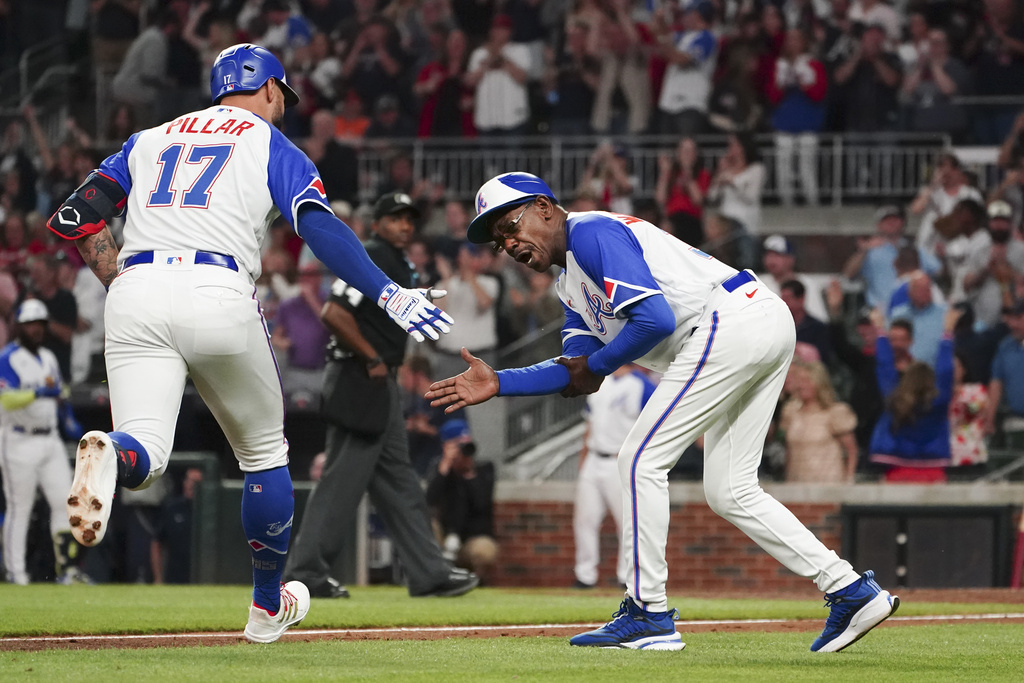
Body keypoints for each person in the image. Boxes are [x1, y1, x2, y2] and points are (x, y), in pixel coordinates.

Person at [45, 44, 454, 643]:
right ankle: (266, 607)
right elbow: (316, 223)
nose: (281, 106)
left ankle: (113, 451)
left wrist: (121, 281)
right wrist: (389, 293)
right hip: (218, 288)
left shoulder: (147, 140)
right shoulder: (267, 140)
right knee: (264, 452)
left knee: (150, 452)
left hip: (135, 289)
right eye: (282, 96)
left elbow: (75, 216)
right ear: (268, 89)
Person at [427, 172, 898, 652]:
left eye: (511, 224)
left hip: (727, 322)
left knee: (637, 461)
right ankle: (849, 589)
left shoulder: (589, 232)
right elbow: (577, 371)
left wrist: (597, 364)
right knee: (730, 491)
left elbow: (653, 320)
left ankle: (649, 612)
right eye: (500, 239)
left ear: (545, 207)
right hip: (750, 322)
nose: (508, 243)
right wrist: (503, 381)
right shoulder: (570, 286)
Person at [284, 192, 478, 601]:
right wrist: (372, 356)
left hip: (377, 380)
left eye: (409, 218)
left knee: (400, 482)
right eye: (394, 218)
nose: (404, 225)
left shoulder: (395, 260)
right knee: (341, 479)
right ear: (377, 224)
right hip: (361, 377)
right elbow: (333, 313)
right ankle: (306, 572)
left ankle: (429, 572)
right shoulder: (370, 253)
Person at [0, 300, 83, 585]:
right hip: (18, 438)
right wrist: (38, 393)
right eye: (30, 325)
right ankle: (16, 573)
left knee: (66, 502)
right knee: (19, 507)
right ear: (20, 327)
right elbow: (6, 398)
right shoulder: (8, 356)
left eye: (39, 324)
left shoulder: (48, 356)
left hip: (50, 439)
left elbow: (60, 392)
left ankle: (66, 570)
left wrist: (68, 417)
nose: (35, 330)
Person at [574, 363, 655, 590]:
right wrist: (583, 458)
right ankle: (585, 575)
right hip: (594, 457)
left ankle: (626, 577)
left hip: (621, 460)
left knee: (627, 522)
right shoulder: (600, 380)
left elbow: (655, 426)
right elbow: (590, 424)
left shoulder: (643, 385)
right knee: (585, 519)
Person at [869, 308, 959, 483]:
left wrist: (880, 331)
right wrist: (947, 332)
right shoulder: (939, 401)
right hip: (933, 469)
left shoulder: (894, 397)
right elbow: (946, 372)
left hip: (897, 469)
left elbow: (885, 368)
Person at [426, 419, 498, 583]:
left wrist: (468, 473)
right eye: (457, 445)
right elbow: (428, 500)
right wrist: (446, 465)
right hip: (443, 538)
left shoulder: (484, 469)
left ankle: (476, 581)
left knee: (484, 550)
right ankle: (435, 577)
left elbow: (482, 503)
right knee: (426, 524)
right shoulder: (440, 470)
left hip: (471, 539)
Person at [780, 360, 858, 483]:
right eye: (799, 381)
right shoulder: (790, 413)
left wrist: (848, 480)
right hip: (796, 484)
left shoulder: (835, 412)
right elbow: (788, 451)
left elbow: (851, 451)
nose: (802, 385)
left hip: (828, 484)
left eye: (806, 381)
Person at [985, 300, 1024, 451]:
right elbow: (996, 383)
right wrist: (989, 419)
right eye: (1011, 319)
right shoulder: (1005, 346)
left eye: (1018, 319)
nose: (1012, 324)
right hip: (1014, 421)